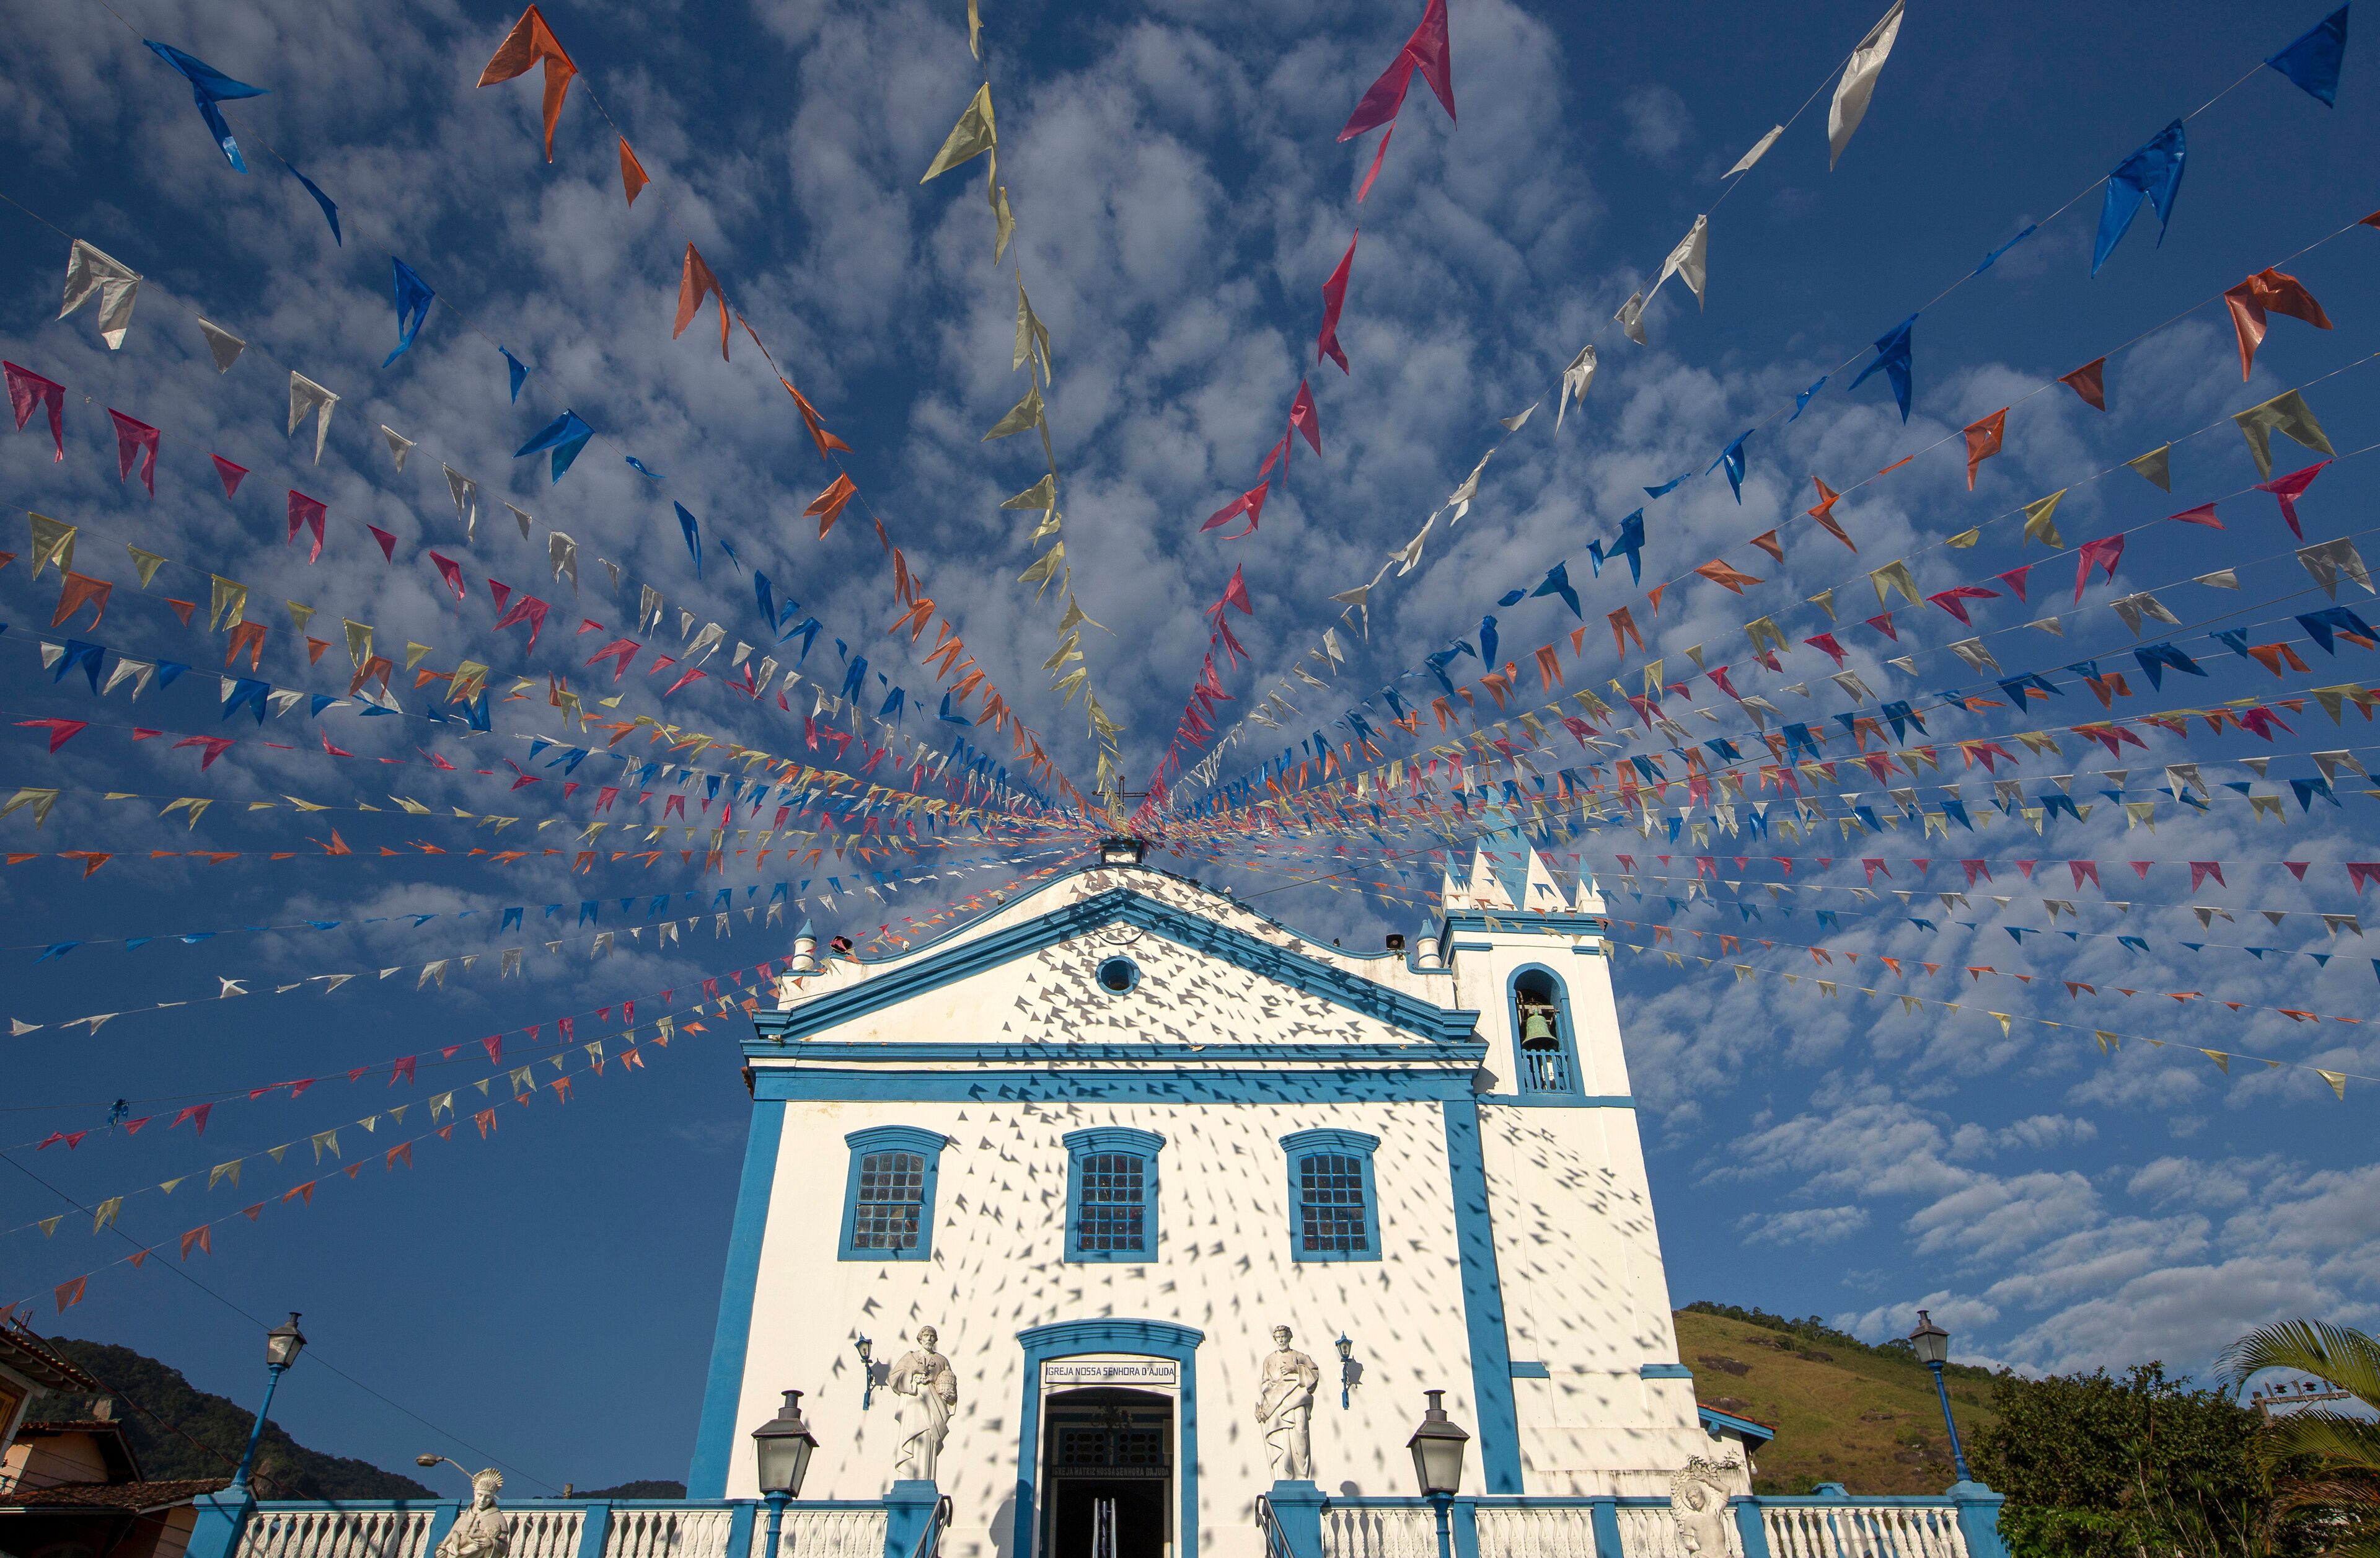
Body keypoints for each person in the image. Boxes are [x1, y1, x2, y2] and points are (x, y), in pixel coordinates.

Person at [888, 1327, 958, 1481]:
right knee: (911, 1436)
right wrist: (913, 1371)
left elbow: (950, 1384)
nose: (929, 1339)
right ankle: (907, 1477)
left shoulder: (942, 1360)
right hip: (914, 1402)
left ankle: (925, 1479)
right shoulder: (910, 1358)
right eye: (926, 1336)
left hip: (933, 1406)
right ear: (920, 1338)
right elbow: (894, 1378)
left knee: (928, 1439)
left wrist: (950, 1397)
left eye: (932, 1336)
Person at [1253, 1326, 1320, 1480]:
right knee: (1282, 1441)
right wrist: (1264, 1409)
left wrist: (1296, 1369)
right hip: (1277, 1406)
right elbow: (1265, 1385)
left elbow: (1314, 1375)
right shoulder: (1269, 1360)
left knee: (1301, 1435)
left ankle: (1302, 1477)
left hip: (1297, 1402)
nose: (1281, 1340)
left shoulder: (1300, 1356)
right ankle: (1285, 1478)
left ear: (1289, 1338)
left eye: (1283, 1337)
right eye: (1278, 1338)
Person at [436, 1470, 509, 1558]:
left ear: (492, 1497)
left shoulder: (497, 1519)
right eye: (480, 1495)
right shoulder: (464, 1517)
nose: (482, 1500)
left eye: (488, 1497)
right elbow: (449, 1540)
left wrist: (491, 1544)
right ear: (474, 1493)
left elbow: (503, 1548)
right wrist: (441, 1551)